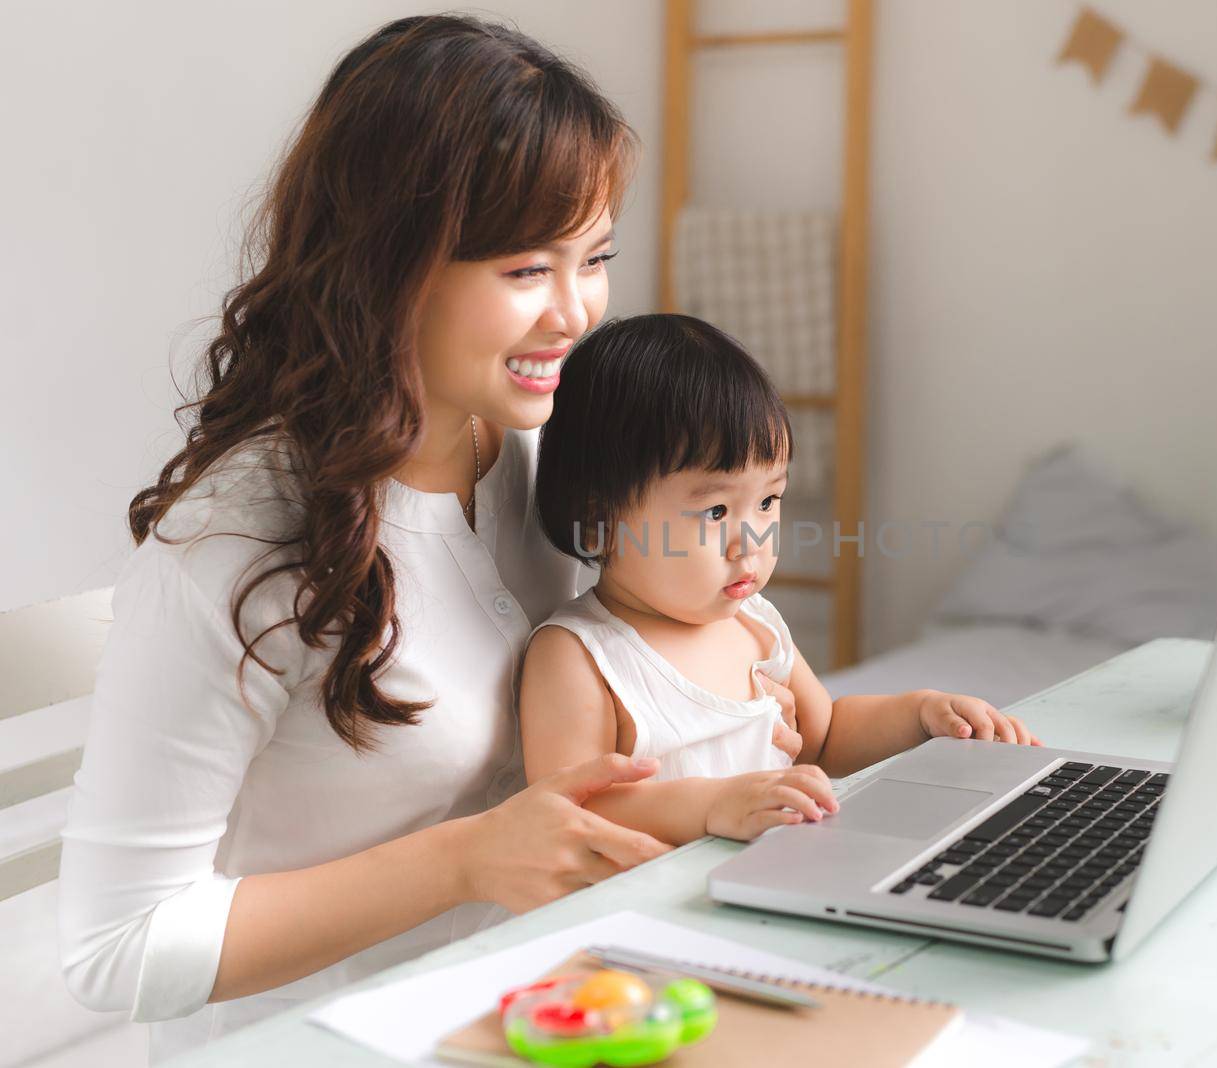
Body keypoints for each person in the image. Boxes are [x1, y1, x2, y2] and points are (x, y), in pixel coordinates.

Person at [56, 16, 747, 1059]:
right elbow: (117, 946)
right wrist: (466, 861)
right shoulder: (234, 544)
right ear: (390, 264)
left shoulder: (535, 454)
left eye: (594, 259)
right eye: (525, 271)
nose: (575, 313)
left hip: (542, 1017)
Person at [519, 314, 1040, 846]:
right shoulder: (581, 656)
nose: (752, 541)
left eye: (768, 501)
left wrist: (921, 714)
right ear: (601, 523)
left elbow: (826, 735)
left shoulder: (755, 625)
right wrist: (715, 804)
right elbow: (570, 810)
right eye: (716, 511)